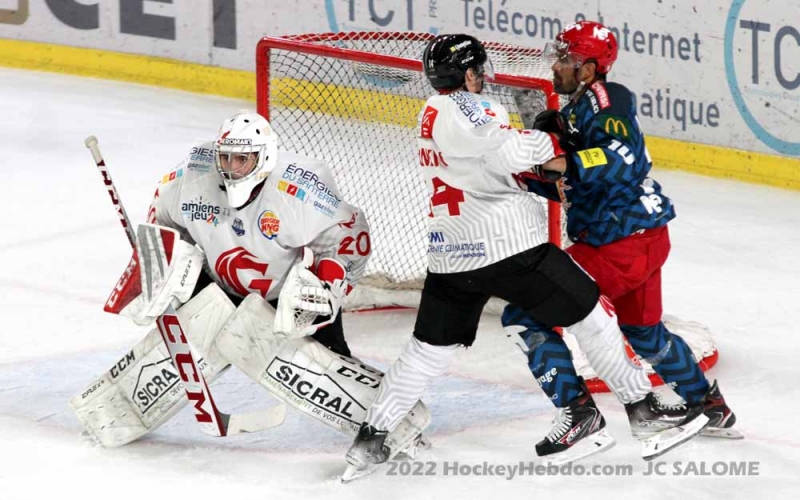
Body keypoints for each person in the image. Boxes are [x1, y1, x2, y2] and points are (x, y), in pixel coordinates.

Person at [342, 34, 709, 481]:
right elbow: (514, 150)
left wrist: (534, 170)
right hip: (507, 247)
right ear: (471, 73)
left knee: (427, 352)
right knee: (592, 314)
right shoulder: (471, 107)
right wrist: (546, 142)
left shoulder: (428, 115)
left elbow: (488, 165)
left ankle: (371, 438)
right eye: (480, 70)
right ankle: (639, 410)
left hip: (450, 256)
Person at [72, 111, 429, 452]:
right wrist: (159, 263)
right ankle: (111, 412)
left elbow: (349, 233)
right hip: (214, 284)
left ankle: (388, 423)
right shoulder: (193, 177)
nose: (230, 168)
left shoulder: (298, 189)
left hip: (282, 297)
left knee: (329, 364)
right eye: (225, 158)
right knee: (189, 343)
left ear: (264, 157)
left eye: (241, 160)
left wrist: (327, 283)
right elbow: (162, 216)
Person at [505, 20, 739, 443]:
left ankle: (579, 415)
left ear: (590, 68)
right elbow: (583, 185)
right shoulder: (579, 106)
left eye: (566, 59)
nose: (556, 66)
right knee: (644, 331)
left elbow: (623, 159)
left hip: (619, 242)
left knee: (524, 312)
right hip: (643, 234)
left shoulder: (605, 98)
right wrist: (528, 178)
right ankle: (710, 407)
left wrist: (561, 162)